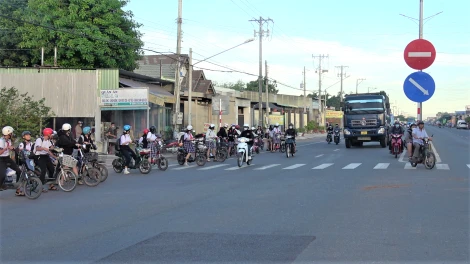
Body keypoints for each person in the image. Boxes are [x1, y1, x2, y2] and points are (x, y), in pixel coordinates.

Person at [0, 126, 22, 192]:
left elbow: (10, 148)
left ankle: (18, 188)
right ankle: (0, 185)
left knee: (19, 171)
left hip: (7, 158)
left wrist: (15, 149)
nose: (12, 134)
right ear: (8, 133)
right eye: (11, 133)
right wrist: (6, 148)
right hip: (1, 159)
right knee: (2, 175)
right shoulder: (1, 141)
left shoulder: (8, 140)